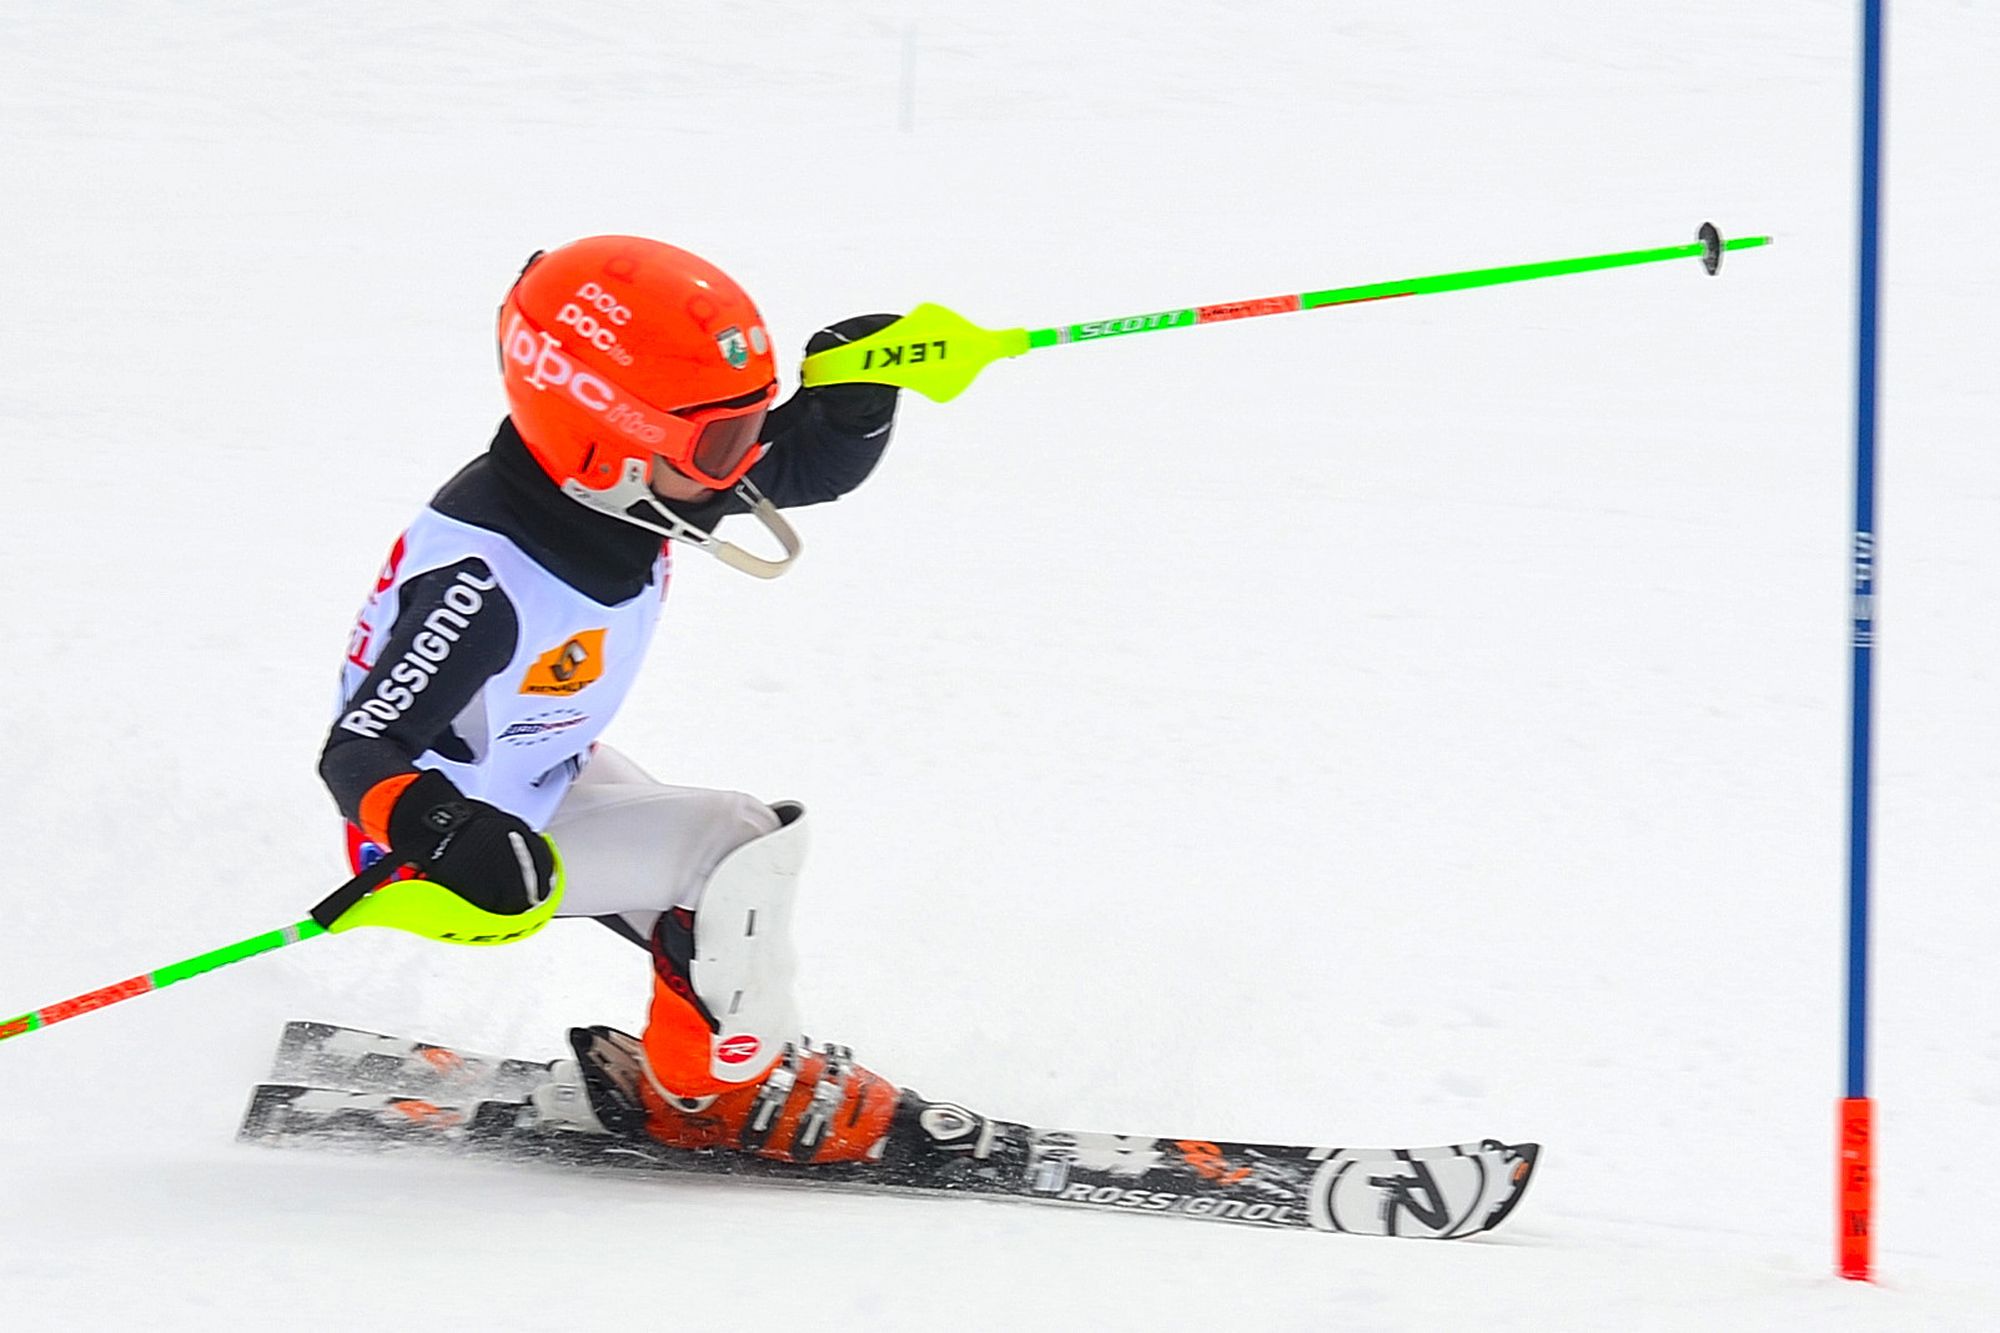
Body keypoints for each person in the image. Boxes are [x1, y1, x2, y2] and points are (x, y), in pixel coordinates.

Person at [319, 235, 924, 1165]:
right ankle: (711, 1093)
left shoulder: (620, 489)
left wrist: (852, 410)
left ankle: (727, 1050)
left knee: (726, 909)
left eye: (748, 427)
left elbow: (802, 468)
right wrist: (443, 830)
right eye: (722, 441)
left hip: (537, 778)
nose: (740, 465)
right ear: (611, 442)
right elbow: (360, 748)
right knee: (736, 845)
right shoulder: (484, 581)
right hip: (446, 852)